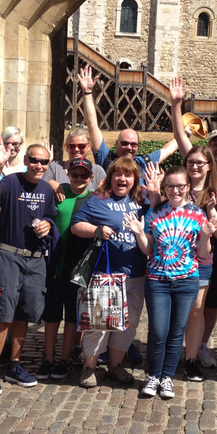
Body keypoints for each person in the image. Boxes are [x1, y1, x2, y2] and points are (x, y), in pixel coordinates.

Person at [126, 166, 217, 399]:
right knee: (158, 330)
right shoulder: (154, 213)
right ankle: (153, 375)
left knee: (177, 331)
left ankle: (167, 376)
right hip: (157, 280)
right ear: (164, 188)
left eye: (180, 186)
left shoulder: (198, 214)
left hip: (187, 280)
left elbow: (201, 253)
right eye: (170, 186)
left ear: (188, 187)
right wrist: (139, 233)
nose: (175, 190)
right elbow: (148, 249)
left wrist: (207, 234)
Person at [0, 136, 57, 396]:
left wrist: (47, 224)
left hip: (36, 259)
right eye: (34, 160)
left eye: (44, 162)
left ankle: (15, 364)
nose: (38, 165)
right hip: (10, 256)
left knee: (26, 312)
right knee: (3, 313)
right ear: (26, 161)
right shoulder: (12, 181)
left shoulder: (47, 189)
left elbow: (49, 216)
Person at [70, 157, 152, 388]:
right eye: (118, 174)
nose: (122, 179)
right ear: (111, 177)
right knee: (99, 324)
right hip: (106, 275)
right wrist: (97, 230)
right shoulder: (99, 200)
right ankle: (89, 367)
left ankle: (116, 365)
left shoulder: (141, 201)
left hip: (135, 274)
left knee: (129, 324)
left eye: (128, 175)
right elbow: (76, 226)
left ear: (135, 179)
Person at [169, 77, 217, 375]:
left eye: (200, 164)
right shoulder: (178, 186)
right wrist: (177, 104)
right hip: (174, 257)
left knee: (196, 310)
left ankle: (190, 358)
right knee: (173, 311)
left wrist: (210, 212)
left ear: (209, 166)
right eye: (191, 163)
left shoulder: (216, 195)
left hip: (202, 261)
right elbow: (181, 138)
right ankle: (169, 355)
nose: (194, 167)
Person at [36, 157, 96, 381]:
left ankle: (65, 358)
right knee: (52, 315)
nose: (78, 179)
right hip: (54, 263)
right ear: (68, 174)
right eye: (74, 174)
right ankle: (48, 358)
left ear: (90, 178)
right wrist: (53, 184)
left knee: (72, 315)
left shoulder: (93, 199)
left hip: (78, 265)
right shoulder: (57, 193)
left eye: (83, 175)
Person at [79, 66, 179, 178]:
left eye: (133, 144)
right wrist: (87, 92)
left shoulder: (143, 162)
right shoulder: (106, 158)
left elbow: (167, 150)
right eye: (125, 143)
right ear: (117, 143)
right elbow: (92, 126)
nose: (129, 148)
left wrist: (186, 133)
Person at [43, 128, 107, 195]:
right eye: (71, 146)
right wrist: (49, 182)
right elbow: (40, 187)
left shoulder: (97, 171)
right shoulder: (54, 168)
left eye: (81, 146)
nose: (76, 149)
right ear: (67, 148)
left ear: (88, 147)